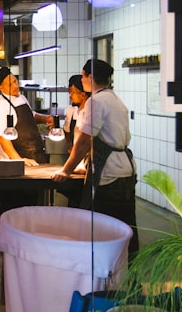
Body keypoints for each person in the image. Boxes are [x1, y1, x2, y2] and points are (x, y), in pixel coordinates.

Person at [53, 59, 139, 253]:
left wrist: (66, 170)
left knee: (102, 229)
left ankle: (104, 274)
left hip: (109, 175)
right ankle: (130, 275)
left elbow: (84, 141)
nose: (81, 79)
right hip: (126, 171)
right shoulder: (114, 98)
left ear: (90, 77)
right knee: (126, 227)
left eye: (82, 75)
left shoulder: (96, 101)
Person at [0, 66, 54, 220]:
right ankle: (7, 241)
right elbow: (2, 138)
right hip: (14, 162)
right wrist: (18, 160)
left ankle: (29, 239)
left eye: (15, 81)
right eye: (10, 84)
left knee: (32, 206)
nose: (15, 86)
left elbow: (30, 115)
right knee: (11, 206)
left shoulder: (21, 97)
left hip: (33, 156)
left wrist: (45, 118)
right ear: (0, 87)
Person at [56, 74, 90, 207]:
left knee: (82, 201)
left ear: (83, 94)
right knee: (74, 201)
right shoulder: (74, 110)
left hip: (85, 164)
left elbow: (86, 142)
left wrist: (79, 166)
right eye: (69, 91)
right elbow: (68, 131)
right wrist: (71, 147)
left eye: (73, 92)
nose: (71, 95)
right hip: (77, 160)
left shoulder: (89, 112)